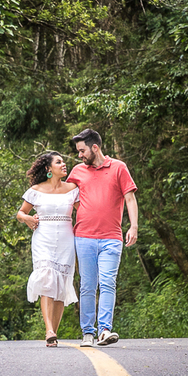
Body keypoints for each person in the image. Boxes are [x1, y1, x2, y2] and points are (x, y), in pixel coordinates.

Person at [67, 128, 137, 347]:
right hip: (84, 237)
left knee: (108, 283)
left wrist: (133, 226)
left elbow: (130, 198)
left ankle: (105, 331)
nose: (79, 155)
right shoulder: (78, 171)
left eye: (82, 150)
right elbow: (64, 196)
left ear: (94, 147)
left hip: (112, 238)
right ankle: (88, 332)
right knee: (88, 285)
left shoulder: (119, 168)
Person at [16, 151, 79, 347]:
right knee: (47, 279)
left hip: (66, 240)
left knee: (61, 285)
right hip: (43, 238)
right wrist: (27, 219)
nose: (64, 165)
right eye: (59, 162)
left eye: (64, 162)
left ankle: (54, 334)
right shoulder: (36, 190)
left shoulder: (73, 189)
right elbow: (20, 213)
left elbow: (85, 211)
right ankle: (48, 329)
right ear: (48, 168)